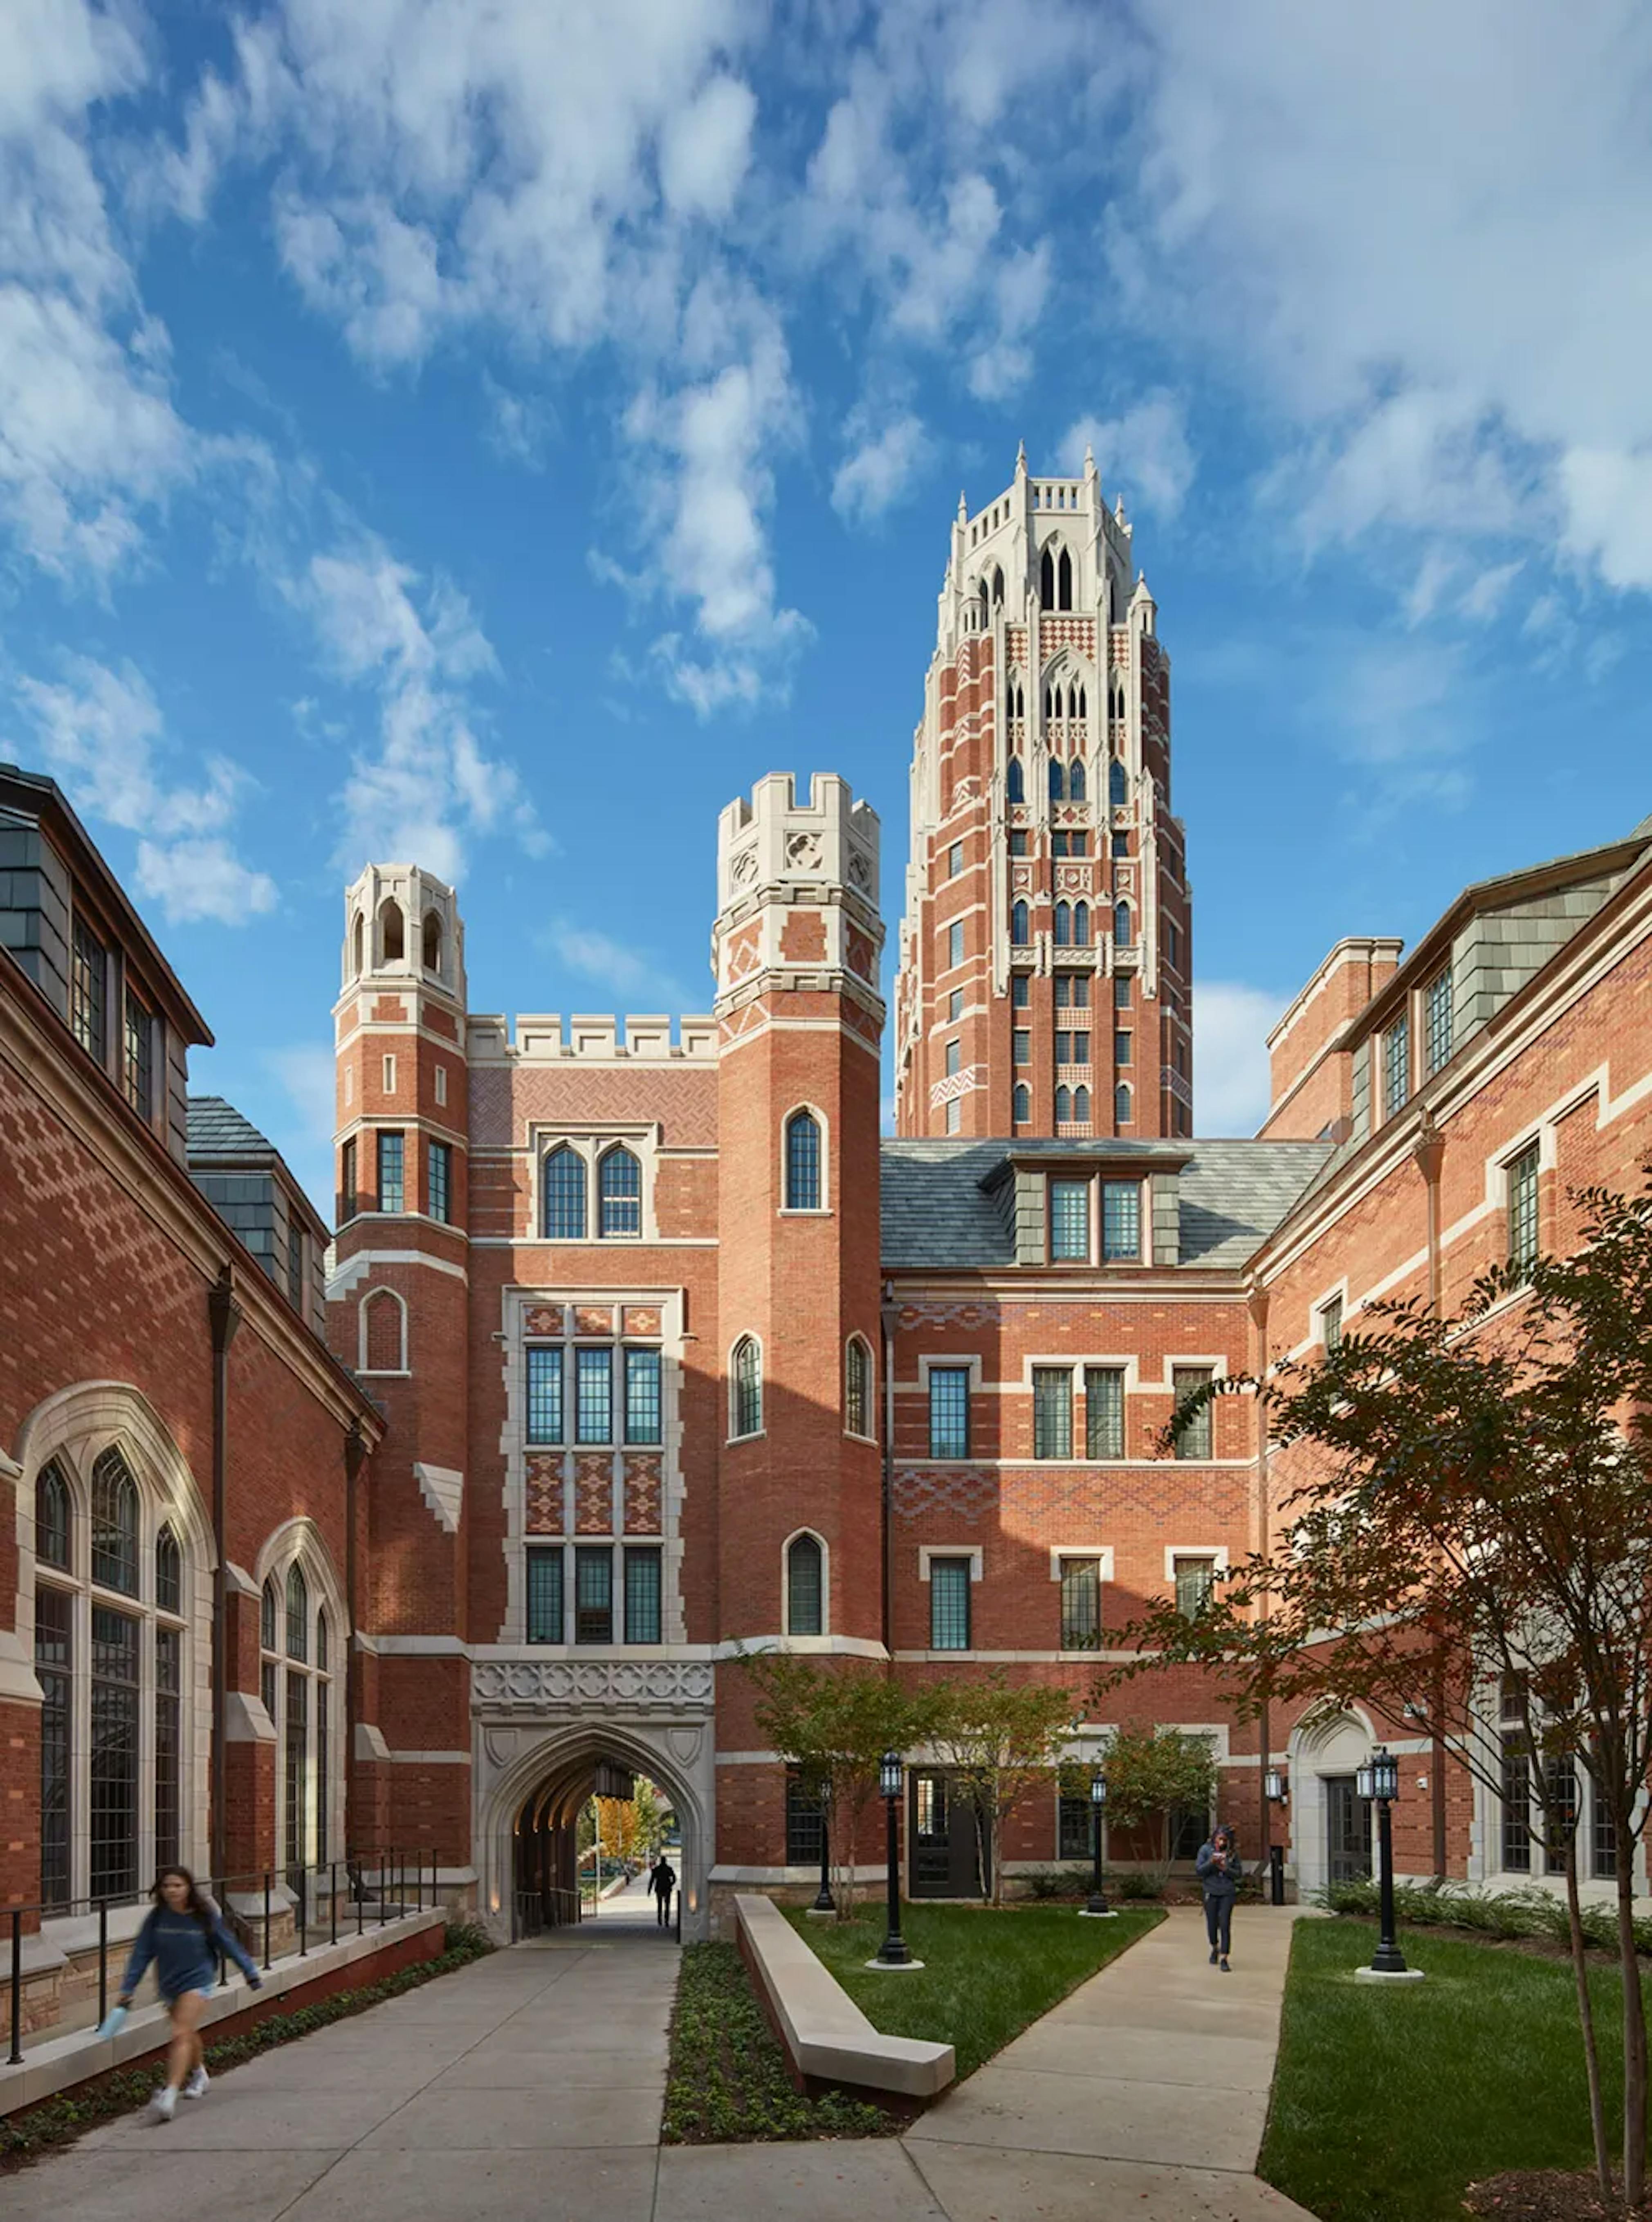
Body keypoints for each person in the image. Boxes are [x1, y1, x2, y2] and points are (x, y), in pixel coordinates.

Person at [117, 1866, 262, 2122]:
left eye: (178, 1885)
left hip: (198, 1980)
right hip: (169, 1983)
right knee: (187, 2032)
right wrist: (128, 1988)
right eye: (167, 1886)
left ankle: (169, 2095)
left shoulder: (203, 1916)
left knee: (180, 2033)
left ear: (188, 1888)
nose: (172, 1890)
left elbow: (227, 1943)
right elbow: (141, 1954)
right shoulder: (157, 1918)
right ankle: (199, 2073)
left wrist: (250, 1971)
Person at [1196, 1825, 1243, 1972]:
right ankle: (1215, 1947)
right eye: (1219, 1839)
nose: (1221, 1842)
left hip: (1227, 1892)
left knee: (1225, 1923)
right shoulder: (1205, 1850)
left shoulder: (1232, 1854)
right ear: (1214, 1838)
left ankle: (1224, 1957)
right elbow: (1200, 1871)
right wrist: (1212, 1863)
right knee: (1212, 1923)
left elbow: (1239, 1874)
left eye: (1225, 1840)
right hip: (1211, 1891)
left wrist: (1225, 1869)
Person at [649, 1853, 677, 1927]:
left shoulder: (657, 1869)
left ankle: (660, 1920)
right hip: (667, 1889)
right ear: (666, 1861)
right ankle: (667, 1921)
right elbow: (674, 1879)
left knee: (660, 1905)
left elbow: (652, 1880)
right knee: (667, 1905)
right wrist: (671, 1884)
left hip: (659, 1889)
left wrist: (649, 1890)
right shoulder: (669, 1869)